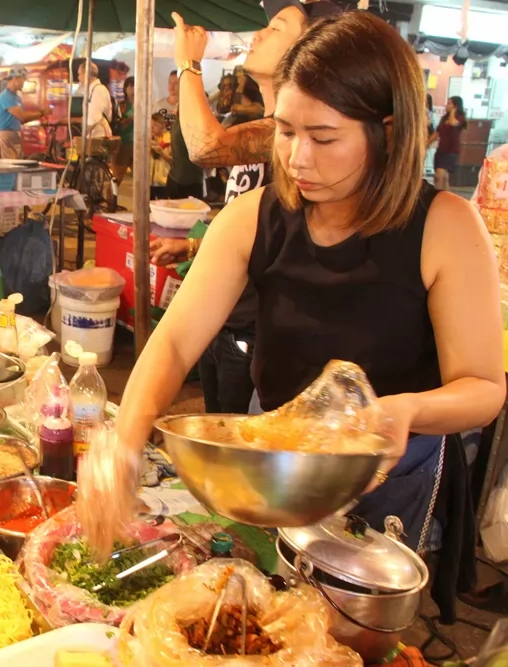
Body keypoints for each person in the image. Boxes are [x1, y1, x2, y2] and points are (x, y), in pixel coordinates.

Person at [90, 12, 503, 564]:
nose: (297, 159)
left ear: (388, 132)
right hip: (275, 459)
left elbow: (482, 386)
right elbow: (174, 343)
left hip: (385, 474)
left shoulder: (445, 227)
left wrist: (403, 412)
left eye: (323, 137)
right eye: (285, 131)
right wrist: (123, 444)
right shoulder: (250, 218)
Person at [150, 1, 342, 416]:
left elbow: (204, 146)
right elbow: (248, 220)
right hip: (225, 318)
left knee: (237, 450)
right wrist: (193, 249)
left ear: (310, 48)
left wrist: (188, 64)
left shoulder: (290, 136)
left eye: (276, 29)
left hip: (259, 333)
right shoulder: (263, 127)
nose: (258, 35)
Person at [0, 67, 46, 159]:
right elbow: (22, 116)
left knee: (17, 163)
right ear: (15, 78)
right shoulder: (6, 96)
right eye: (23, 79)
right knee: (11, 165)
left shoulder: (16, 97)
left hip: (15, 133)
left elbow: (22, 120)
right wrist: (41, 113)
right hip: (6, 134)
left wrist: (40, 116)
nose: (24, 83)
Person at [429, 95, 467, 191]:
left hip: (451, 151)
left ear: (455, 106)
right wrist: (426, 143)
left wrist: (453, 112)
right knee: (444, 178)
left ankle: (436, 197)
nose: (446, 105)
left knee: (439, 175)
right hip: (441, 151)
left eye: (449, 103)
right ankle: (446, 198)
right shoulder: (443, 118)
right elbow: (437, 133)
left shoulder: (460, 117)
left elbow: (452, 123)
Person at [77, 61, 113, 156]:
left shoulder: (98, 90)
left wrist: (82, 137)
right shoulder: (92, 90)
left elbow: (93, 118)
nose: (78, 77)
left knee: (92, 167)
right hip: (94, 136)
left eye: (79, 74)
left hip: (98, 137)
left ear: (87, 74)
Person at [112, 77, 135, 186]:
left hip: (139, 145)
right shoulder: (123, 106)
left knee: (143, 179)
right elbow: (117, 127)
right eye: (129, 86)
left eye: (134, 85)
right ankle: (111, 201)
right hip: (124, 144)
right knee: (117, 178)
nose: (132, 89)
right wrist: (129, 120)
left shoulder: (143, 104)